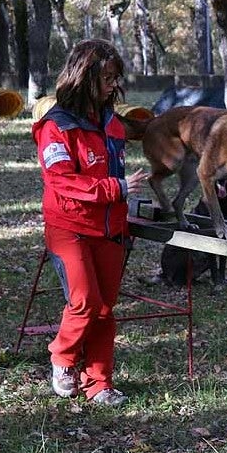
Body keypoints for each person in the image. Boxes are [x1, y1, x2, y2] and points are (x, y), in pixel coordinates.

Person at [32, 39, 148, 406]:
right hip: (70, 227)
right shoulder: (56, 126)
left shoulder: (113, 122)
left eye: (116, 78)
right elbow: (61, 180)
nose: (113, 85)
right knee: (84, 301)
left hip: (111, 230)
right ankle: (62, 358)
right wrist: (116, 187)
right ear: (85, 77)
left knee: (104, 308)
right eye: (107, 78)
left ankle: (98, 383)